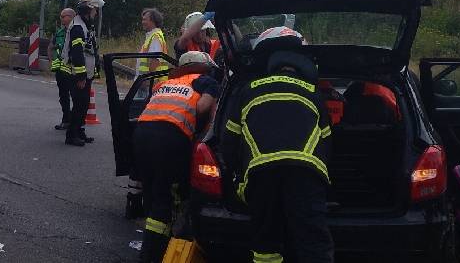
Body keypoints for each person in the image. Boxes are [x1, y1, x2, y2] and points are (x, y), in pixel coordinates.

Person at [221, 27, 333, 263]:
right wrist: (324, 179)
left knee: (265, 242)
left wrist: (234, 175)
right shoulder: (313, 92)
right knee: (313, 242)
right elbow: (327, 140)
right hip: (305, 173)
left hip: (261, 173)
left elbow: (229, 139)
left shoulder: (247, 90)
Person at [134, 51, 219, 262]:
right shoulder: (206, 82)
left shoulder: (165, 83)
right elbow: (202, 108)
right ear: (204, 67)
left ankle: (150, 235)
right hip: (171, 137)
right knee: (167, 194)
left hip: (141, 135)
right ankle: (155, 252)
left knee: (152, 189)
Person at [126, 7, 169, 219]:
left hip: (148, 86)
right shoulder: (151, 35)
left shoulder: (155, 36)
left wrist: (146, 85)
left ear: (152, 19)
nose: (142, 20)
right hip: (146, 85)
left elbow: (153, 63)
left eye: (144, 17)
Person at [62, 0, 104, 147]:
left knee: (84, 104)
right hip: (77, 74)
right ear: (88, 9)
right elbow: (77, 52)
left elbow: (89, 50)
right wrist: (81, 77)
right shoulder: (78, 27)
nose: (96, 13)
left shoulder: (85, 24)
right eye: (95, 10)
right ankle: (71, 135)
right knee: (79, 104)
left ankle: (79, 131)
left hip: (85, 73)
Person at [50, 8, 75, 131]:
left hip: (73, 70)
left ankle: (75, 122)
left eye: (63, 16)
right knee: (63, 96)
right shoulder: (59, 32)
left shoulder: (76, 31)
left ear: (70, 17)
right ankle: (66, 120)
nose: (61, 19)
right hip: (61, 70)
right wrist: (53, 60)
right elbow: (53, 47)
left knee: (76, 97)